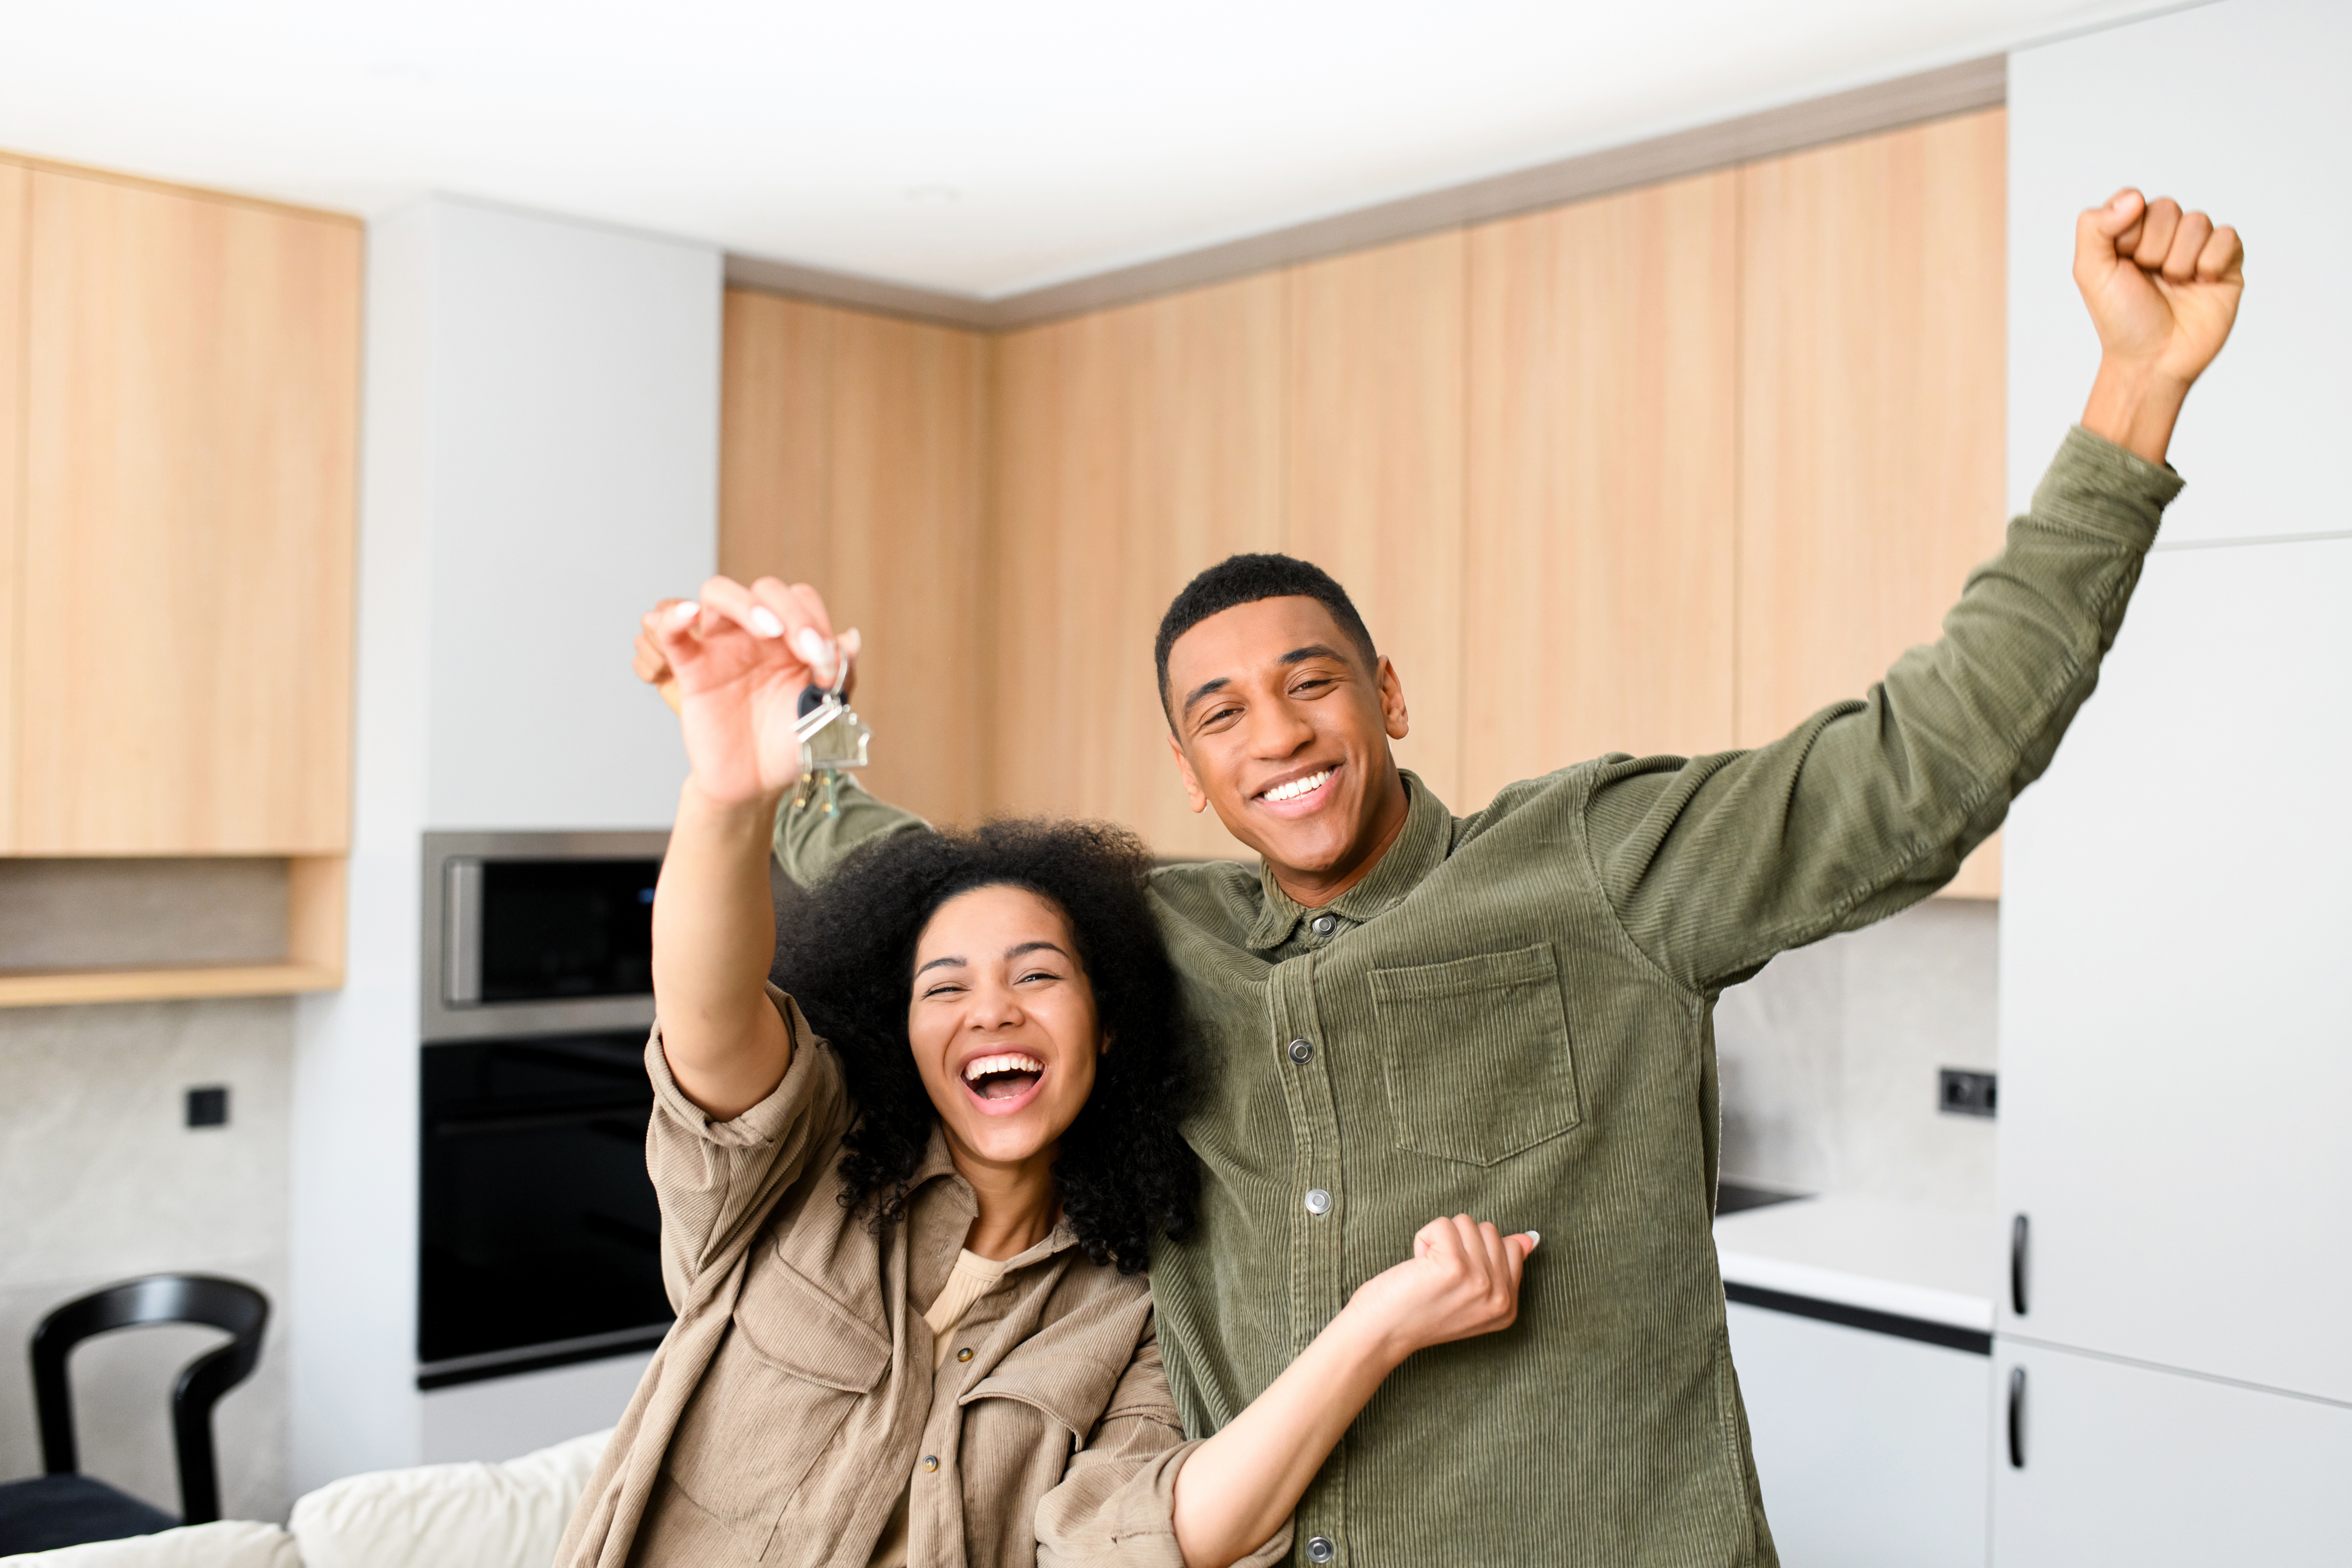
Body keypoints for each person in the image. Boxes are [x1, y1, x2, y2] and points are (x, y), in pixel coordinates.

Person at [633, 187, 2243, 1566]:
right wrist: (804, 731)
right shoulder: (1144, 946)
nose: (1278, 732)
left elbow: (1924, 762)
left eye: (1313, 680)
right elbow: (900, 871)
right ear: (1186, 773)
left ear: (1389, 697)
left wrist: (2133, 396)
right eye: (1221, 712)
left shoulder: (1604, 866)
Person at [558, 589, 1540, 1568]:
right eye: (944, 988)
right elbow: (709, 1018)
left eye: (1036, 976)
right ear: (901, 1029)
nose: (992, 1011)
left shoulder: (1134, 1306)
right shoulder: (800, 1173)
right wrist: (728, 796)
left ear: (1109, 1026)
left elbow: (1145, 1533)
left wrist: (1374, 1329)